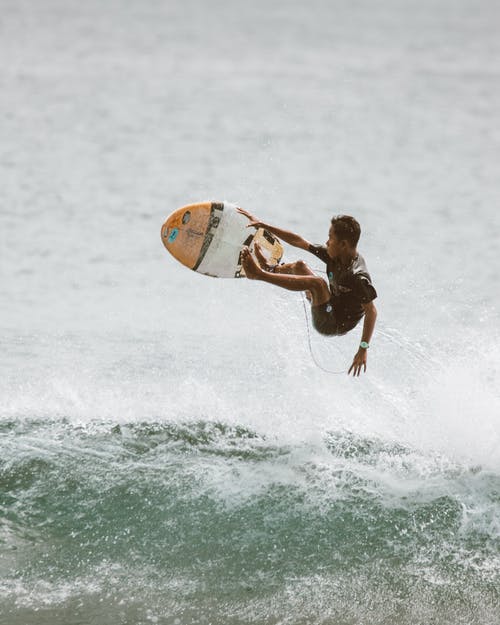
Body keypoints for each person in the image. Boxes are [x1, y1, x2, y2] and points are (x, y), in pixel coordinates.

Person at [237, 208, 377, 376]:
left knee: (317, 283)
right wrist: (263, 225)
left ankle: (259, 274)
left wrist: (363, 349)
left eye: (330, 238)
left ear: (343, 244)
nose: (326, 242)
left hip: (333, 324)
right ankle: (270, 269)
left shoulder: (357, 277)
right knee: (300, 266)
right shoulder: (336, 255)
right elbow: (298, 241)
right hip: (328, 304)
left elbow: (372, 312)